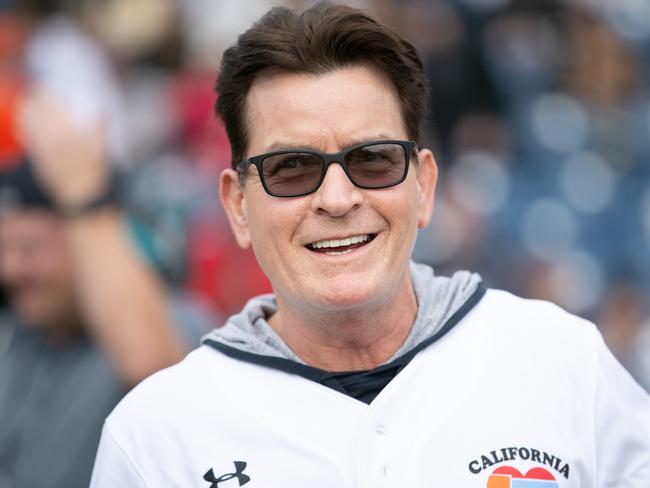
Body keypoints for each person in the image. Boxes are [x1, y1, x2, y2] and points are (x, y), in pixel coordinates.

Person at [90, 3, 650, 487]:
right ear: (238, 204)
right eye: (290, 168)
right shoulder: (154, 437)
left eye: (374, 160)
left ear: (424, 187)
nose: (337, 198)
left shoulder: (564, 362)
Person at [0, 93, 203, 488]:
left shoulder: (175, 319)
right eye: (2, 250)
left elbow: (152, 368)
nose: (10, 269)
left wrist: (83, 196)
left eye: (30, 249)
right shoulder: (24, 337)